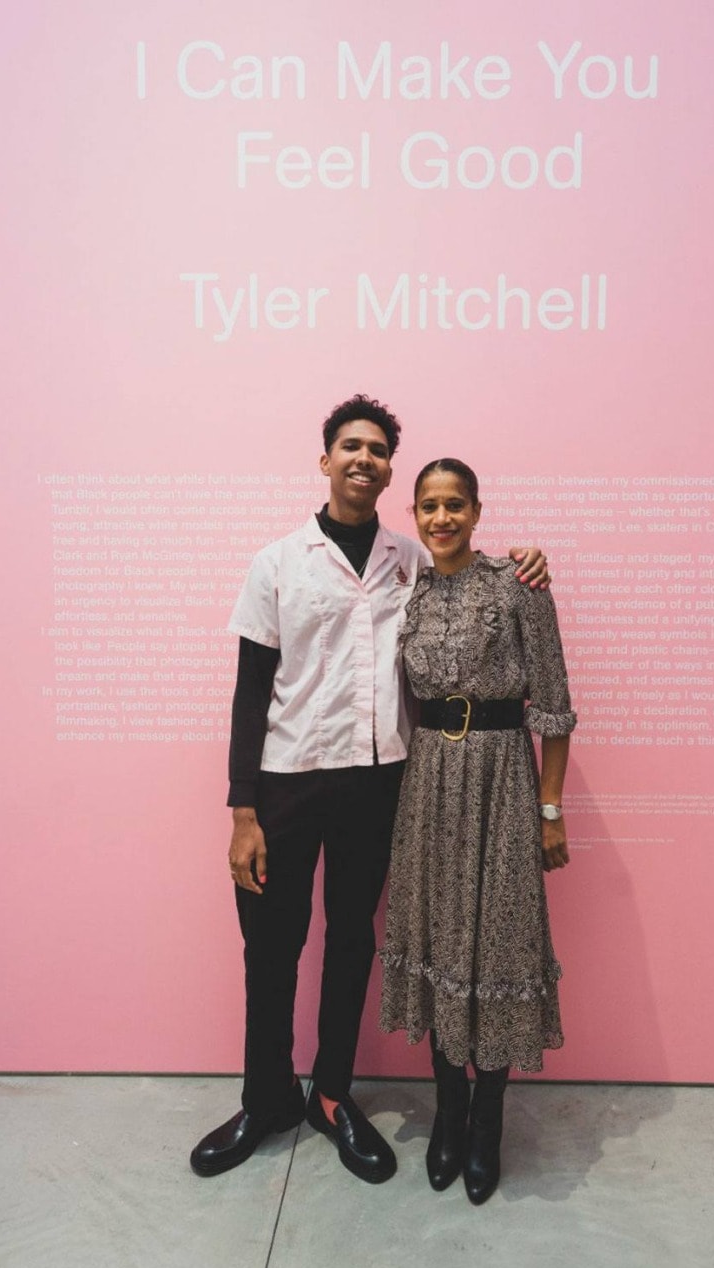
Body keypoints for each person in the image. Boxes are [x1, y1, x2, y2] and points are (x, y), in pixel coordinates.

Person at [189, 397, 550, 1184]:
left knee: (354, 938)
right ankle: (266, 1097)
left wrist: (528, 560)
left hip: (377, 783)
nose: (364, 458)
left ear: (389, 468)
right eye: (349, 446)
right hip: (285, 781)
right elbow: (251, 693)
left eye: (378, 449)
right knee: (272, 947)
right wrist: (241, 810)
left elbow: (468, 584)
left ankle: (331, 1095)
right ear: (325, 460)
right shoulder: (277, 561)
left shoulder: (411, 558)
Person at [379, 457, 576, 1204]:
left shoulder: (519, 586)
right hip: (428, 782)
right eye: (428, 505)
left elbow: (554, 705)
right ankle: (447, 1115)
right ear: (417, 512)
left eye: (454, 503)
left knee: (497, 940)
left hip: (503, 782)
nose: (441, 518)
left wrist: (551, 807)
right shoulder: (408, 588)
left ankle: (487, 1119)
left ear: (477, 509)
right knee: (436, 936)